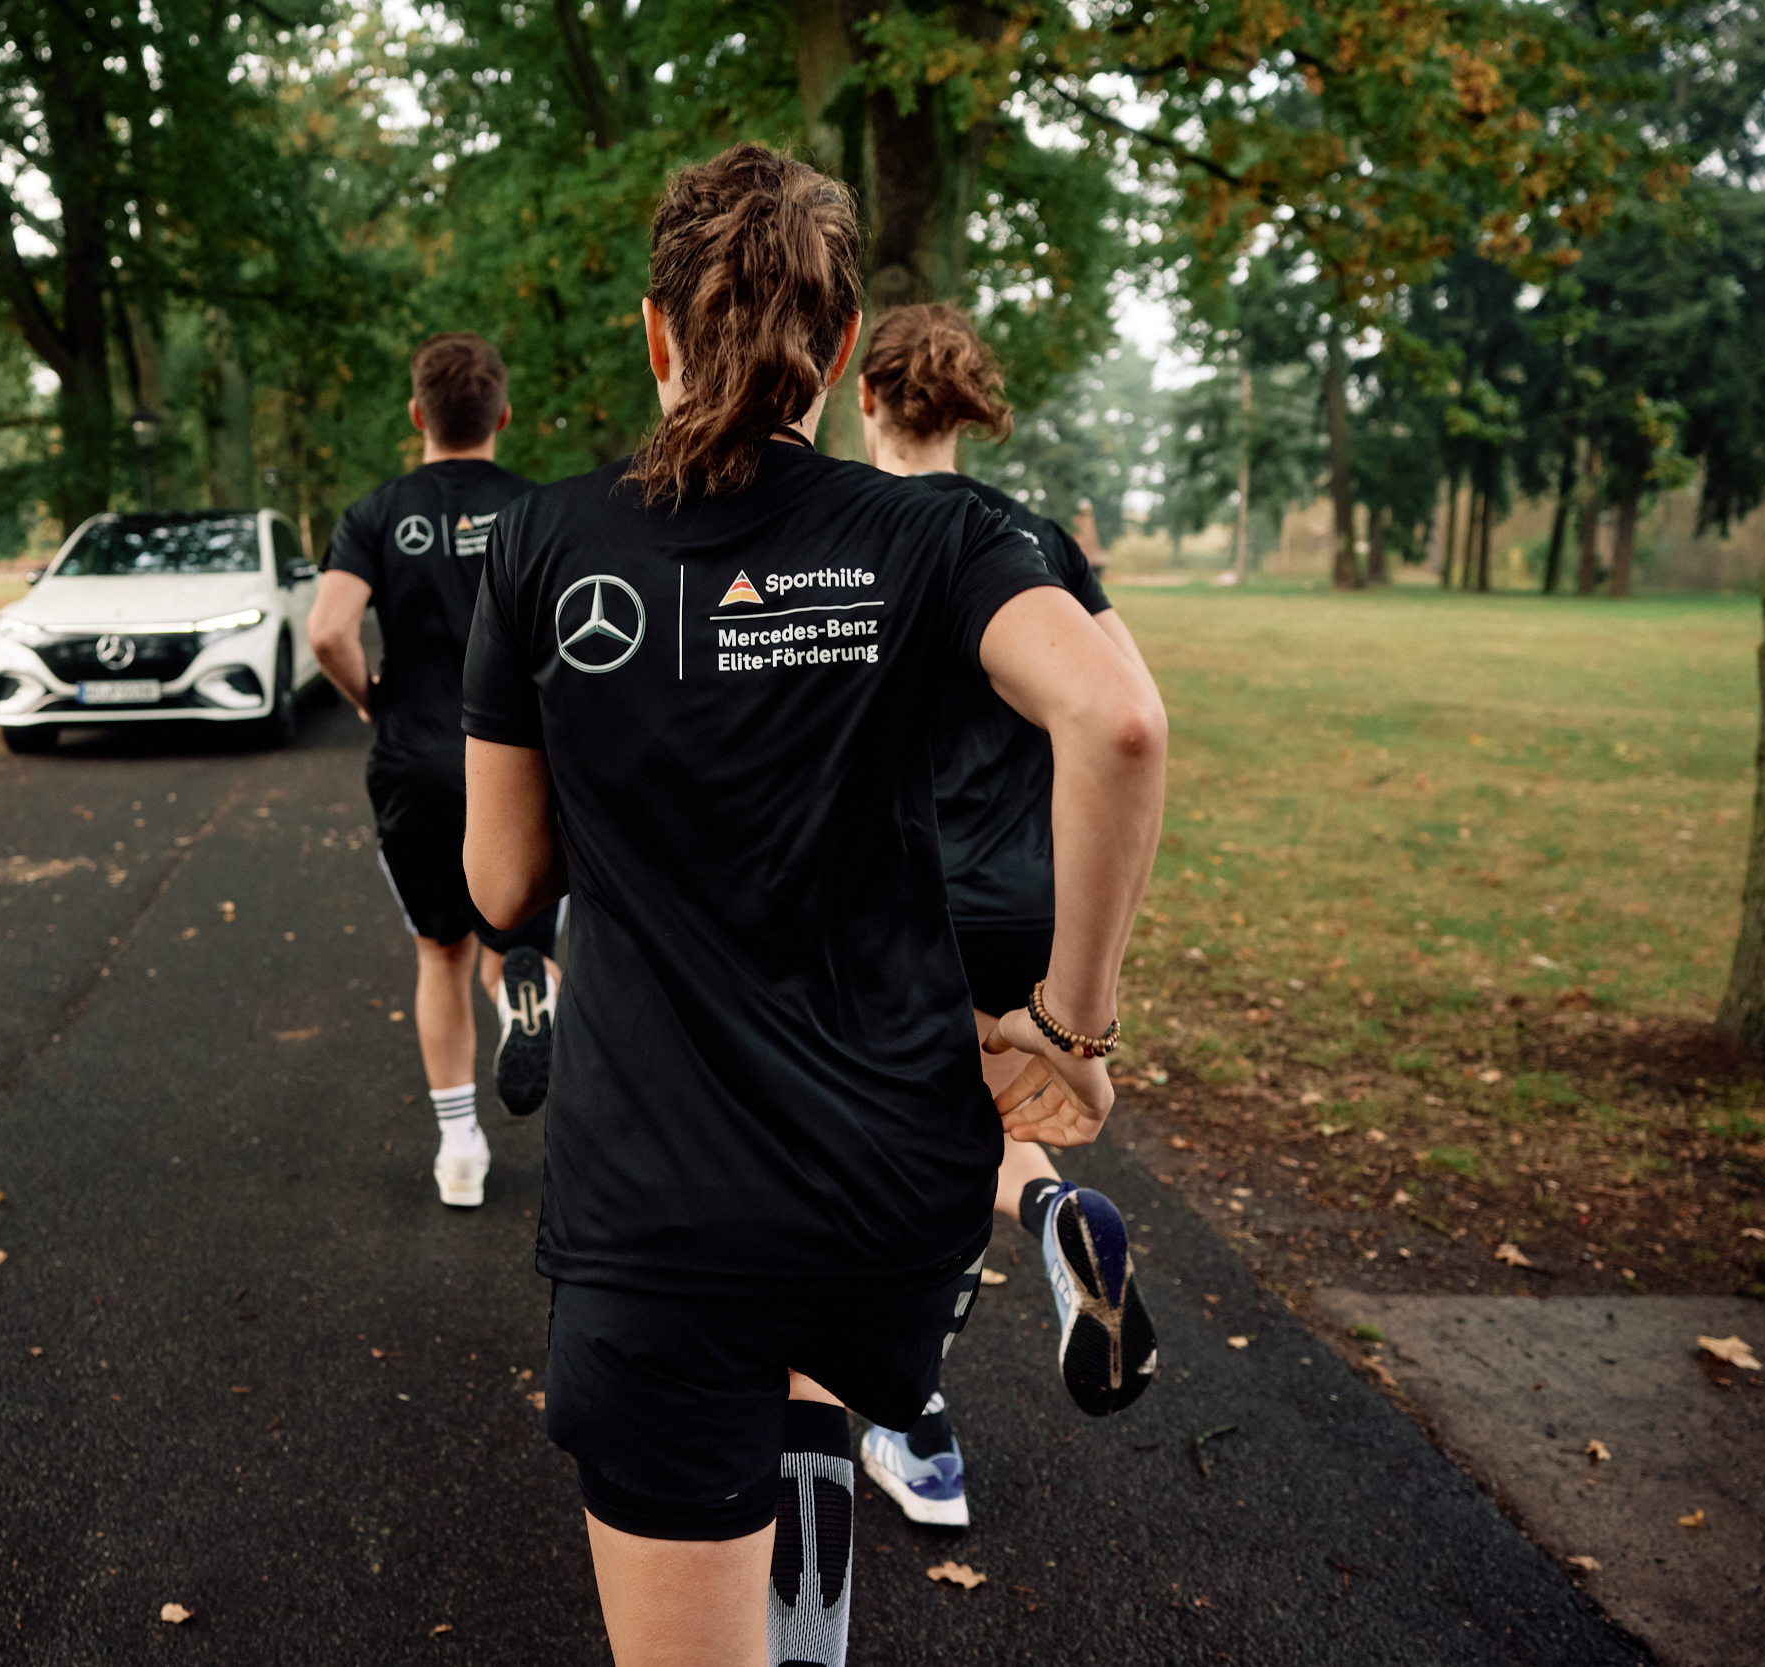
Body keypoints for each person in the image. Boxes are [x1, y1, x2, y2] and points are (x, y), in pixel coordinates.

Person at [460, 146, 1167, 1667]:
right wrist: (1071, 1023)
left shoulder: (539, 544)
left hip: (655, 1204)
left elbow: (502, 884)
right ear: (838, 351)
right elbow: (1118, 722)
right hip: (880, 1188)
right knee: (809, 1374)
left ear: (654, 333)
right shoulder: (937, 534)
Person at [847, 303, 1166, 1532]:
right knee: (979, 1103)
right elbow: (1130, 710)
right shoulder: (1026, 542)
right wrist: (1090, 996)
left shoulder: (840, 533)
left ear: (861, 395)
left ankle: (914, 1430)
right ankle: (1051, 1210)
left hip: (892, 894)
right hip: (1026, 900)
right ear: (964, 409)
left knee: (882, 1162)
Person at [308, 332, 562, 1212]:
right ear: (503, 415)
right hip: (522, 766)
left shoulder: (378, 512)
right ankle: (525, 995)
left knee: (439, 948)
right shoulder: (542, 510)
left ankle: (460, 1151)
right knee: (517, 937)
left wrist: (370, 696)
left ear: (418, 414)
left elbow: (328, 629)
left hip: (414, 762)